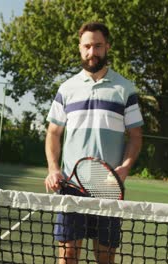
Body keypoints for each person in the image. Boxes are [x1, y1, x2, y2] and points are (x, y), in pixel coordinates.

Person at [44, 22, 144, 264]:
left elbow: (136, 137)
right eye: (87, 46)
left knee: (105, 258)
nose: (92, 52)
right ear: (80, 48)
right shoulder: (66, 89)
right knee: (67, 256)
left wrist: (125, 168)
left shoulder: (125, 89)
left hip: (108, 187)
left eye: (98, 46)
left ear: (107, 47)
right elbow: (53, 133)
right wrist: (53, 169)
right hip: (71, 185)